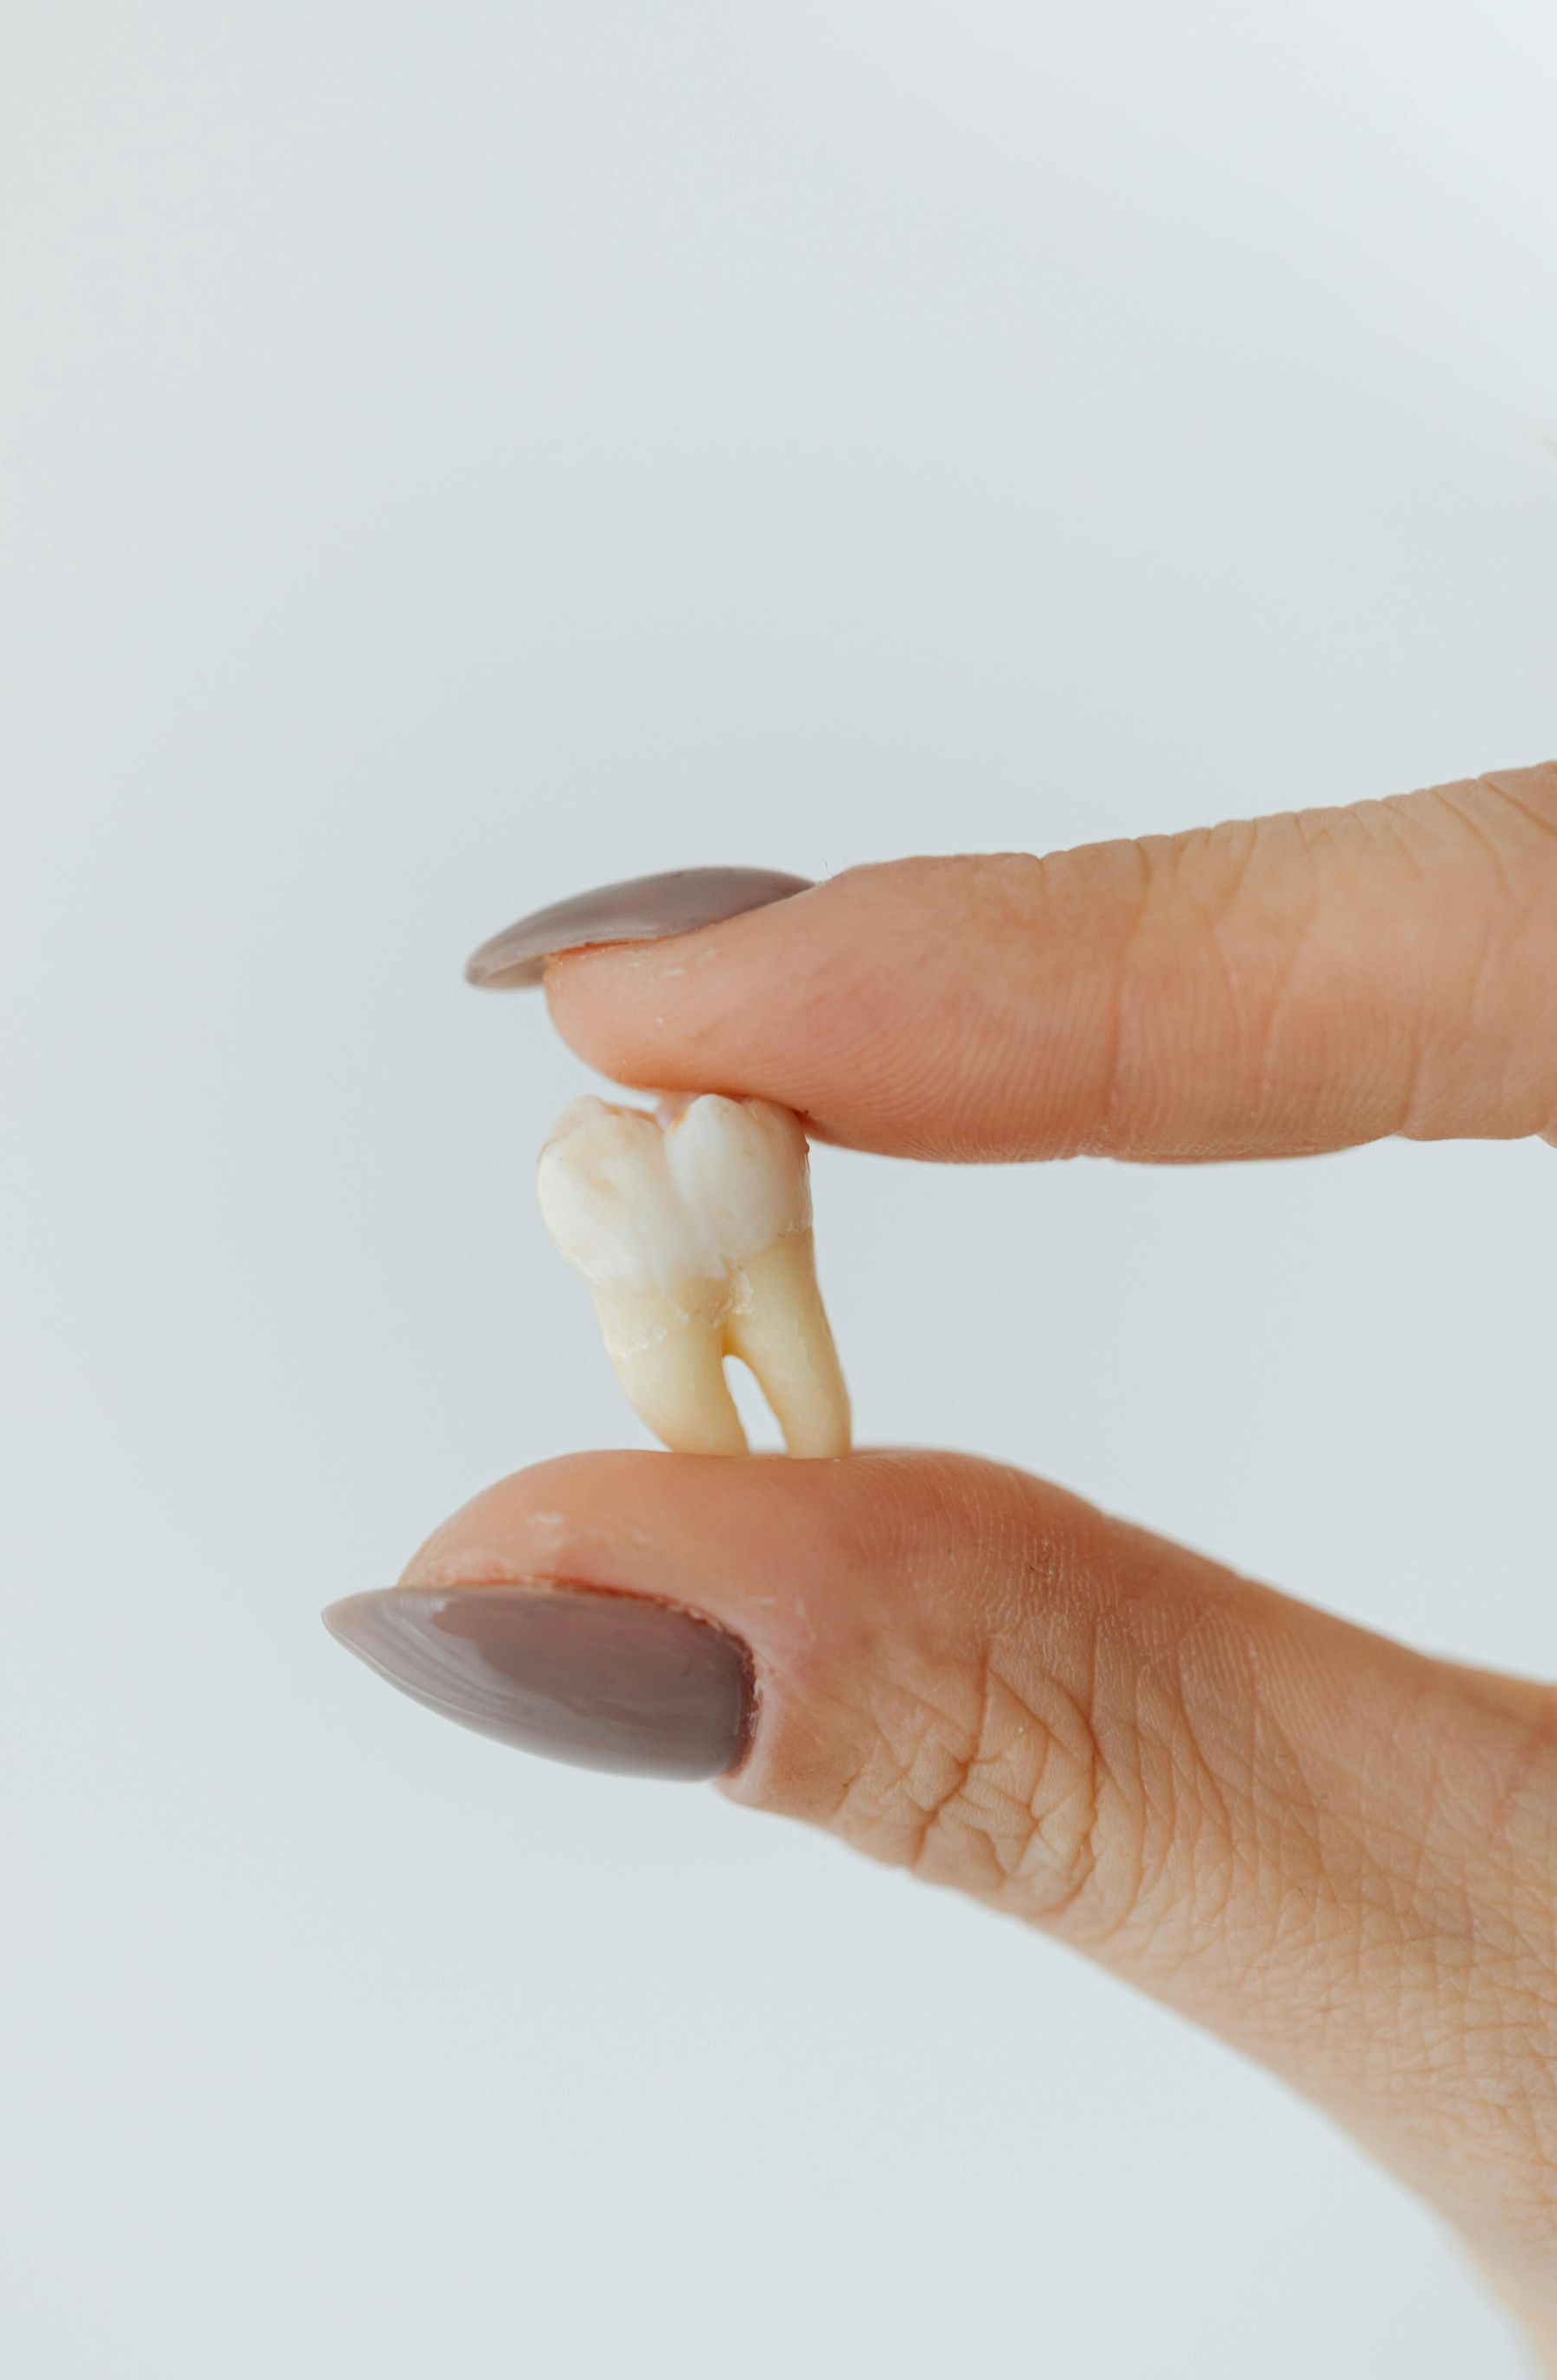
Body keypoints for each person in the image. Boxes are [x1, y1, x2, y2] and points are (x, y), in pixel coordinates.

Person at [326, 761, 1557, 2361]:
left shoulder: (685, 1191)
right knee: (750, 1392)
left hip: (715, 1240)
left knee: (767, 1396)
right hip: (702, 1240)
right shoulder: (647, 1194)